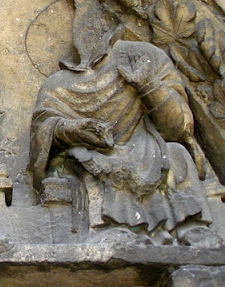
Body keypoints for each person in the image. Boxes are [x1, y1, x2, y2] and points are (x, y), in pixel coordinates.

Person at [30, 32, 220, 246]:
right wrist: (71, 129)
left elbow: (178, 128)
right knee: (86, 162)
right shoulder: (58, 85)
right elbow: (43, 130)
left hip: (147, 146)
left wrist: (149, 86)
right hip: (94, 152)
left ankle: (189, 226)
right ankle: (111, 227)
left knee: (177, 154)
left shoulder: (147, 60)